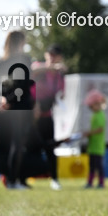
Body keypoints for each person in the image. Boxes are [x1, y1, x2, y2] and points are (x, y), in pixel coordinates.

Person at [0, 31, 33, 191]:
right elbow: (23, 84)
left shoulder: (0, 64)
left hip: (4, 109)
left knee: (1, 145)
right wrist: (6, 100)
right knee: (14, 144)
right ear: (20, 43)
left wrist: (3, 99)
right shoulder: (24, 60)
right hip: (18, 109)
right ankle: (11, 181)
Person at [30, 44, 67, 190]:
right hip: (32, 116)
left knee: (50, 147)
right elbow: (31, 70)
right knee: (30, 147)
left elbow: (61, 94)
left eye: (55, 55)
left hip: (47, 115)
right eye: (49, 54)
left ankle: (55, 179)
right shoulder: (39, 67)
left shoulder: (59, 76)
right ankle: (19, 178)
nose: (52, 57)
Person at [83, 90, 107, 189]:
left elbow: (100, 129)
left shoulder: (100, 115)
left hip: (98, 146)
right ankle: (90, 182)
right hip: (92, 146)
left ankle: (101, 183)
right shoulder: (94, 115)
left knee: (98, 166)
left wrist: (90, 133)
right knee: (92, 166)